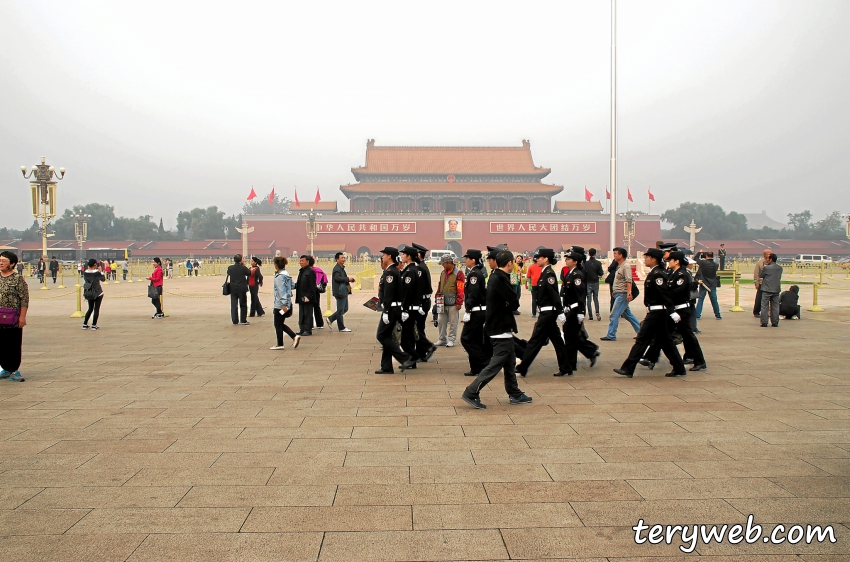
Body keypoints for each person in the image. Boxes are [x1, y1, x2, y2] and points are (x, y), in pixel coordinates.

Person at [461, 250, 532, 409]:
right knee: (496, 363)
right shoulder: (499, 277)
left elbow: (513, 294)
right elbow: (514, 300)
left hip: (501, 325)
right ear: (509, 263)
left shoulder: (498, 276)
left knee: (509, 361)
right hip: (499, 326)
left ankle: (514, 392)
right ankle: (472, 391)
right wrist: (509, 301)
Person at [614, 248, 687, 378]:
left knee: (642, 340)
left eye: (647, 257)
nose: (645, 259)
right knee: (666, 342)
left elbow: (665, 294)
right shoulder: (654, 273)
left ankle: (628, 368)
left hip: (657, 314)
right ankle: (679, 368)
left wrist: (672, 311)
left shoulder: (658, 274)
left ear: (654, 259)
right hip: (656, 312)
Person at [640, 251, 706, 372]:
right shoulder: (673, 274)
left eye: (670, 260)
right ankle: (650, 357)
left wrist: (664, 295)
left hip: (682, 310)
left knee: (688, 336)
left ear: (677, 261)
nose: (668, 262)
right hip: (675, 310)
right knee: (663, 335)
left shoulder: (682, 275)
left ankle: (700, 361)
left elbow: (676, 292)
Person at [516, 248, 571, 377]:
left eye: (539, 257)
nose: (537, 259)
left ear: (546, 259)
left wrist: (559, 311)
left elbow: (554, 294)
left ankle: (523, 367)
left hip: (548, 314)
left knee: (535, 340)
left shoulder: (549, 274)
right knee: (557, 341)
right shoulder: (544, 272)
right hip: (547, 313)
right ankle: (566, 367)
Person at [375, 246, 416, 374]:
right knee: (387, 337)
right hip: (394, 307)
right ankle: (386, 367)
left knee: (381, 335)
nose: (382, 257)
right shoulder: (392, 271)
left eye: (384, 254)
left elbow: (389, 293)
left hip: (391, 308)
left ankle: (404, 357)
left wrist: (386, 311)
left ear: (389, 256)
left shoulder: (391, 272)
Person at [560, 247, 600, 376]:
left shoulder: (577, 275)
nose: (566, 260)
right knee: (572, 338)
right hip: (569, 309)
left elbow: (581, 294)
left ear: (575, 261)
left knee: (570, 338)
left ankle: (571, 365)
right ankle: (583, 356)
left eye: (569, 259)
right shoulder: (571, 273)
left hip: (574, 310)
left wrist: (581, 312)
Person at [460, 249, 492, 377]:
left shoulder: (474, 274)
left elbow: (472, 294)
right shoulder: (474, 272)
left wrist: (468, 310)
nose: (465, 260)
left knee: (466, 339)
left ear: (473, 260)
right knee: (476, 340)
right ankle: (476, 367)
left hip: (476, 311)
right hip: (478, 310)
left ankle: (483, 362)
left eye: (467, 258)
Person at [601, 248, 641, 341]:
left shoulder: (626, 266)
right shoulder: (619, 266)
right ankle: (641, 331)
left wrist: (629, 293)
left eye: (615, 254)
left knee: (614, 315)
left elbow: (628, 280)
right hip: (618, 294)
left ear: (621, 255)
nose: (614, 256)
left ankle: (611, 335)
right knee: (627, 314)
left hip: (622, 294)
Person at [0, 251, 28, 382]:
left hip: (13, 317)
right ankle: (5, 369)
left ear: (12, 264)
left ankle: (14, 369)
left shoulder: (18, 279)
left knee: (13, 344)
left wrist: (22, 317)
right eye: (0, 260)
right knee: (1, 344)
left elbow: (24, 299)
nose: (1, 263)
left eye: (4, 261)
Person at [412, 243, 437, 362]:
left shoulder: (420, 268)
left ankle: (428, 346)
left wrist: (419, 304)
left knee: (416, 328)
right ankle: (421, 354)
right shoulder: (421, 266)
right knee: (419, 328)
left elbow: (420, 288)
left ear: (417, 255)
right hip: (424, 301)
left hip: (422, 302)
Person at [270, 256, 301, 350]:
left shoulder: (279, 277)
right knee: (279, 323)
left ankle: (285, 341)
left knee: (277, 323)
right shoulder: (286, 274)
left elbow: (281, 291)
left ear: (276, 265)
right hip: (288, 302)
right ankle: (286, 340)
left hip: (280, 304)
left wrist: (283, 305)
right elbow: (292, 285)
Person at [398, 246, 423, 365]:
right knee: (408, 336)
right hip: (411, 307)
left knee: (407, 337)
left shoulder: (410, 271)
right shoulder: (410, 269)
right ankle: (411, 360)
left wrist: (405, 309)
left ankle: (412, 359)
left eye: (403, 254)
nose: (401, 256)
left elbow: (407, 291)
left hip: (409, 308)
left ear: (409, 257)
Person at [435, 254, 464, 347]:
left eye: (443, 264)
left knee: (453, 322)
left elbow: (460, 288)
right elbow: (440, 286)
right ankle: (442, 339)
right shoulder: (443, 273)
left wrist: (459, 302)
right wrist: (437, 295)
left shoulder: (458, 273)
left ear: (448, 263)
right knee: (441, 321)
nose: (442, 265)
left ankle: (451, 339)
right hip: (442, 302)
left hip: (453, 302)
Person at [328, 252, 354, 332]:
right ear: (337, 259)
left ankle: (331, 319)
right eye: (342, 258)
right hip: (340, 291)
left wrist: (349, 280)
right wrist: (347, 279)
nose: (344, 259)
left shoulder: (341, 268)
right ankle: (340, 326)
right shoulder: (336, 269)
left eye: (344, 258)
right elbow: (337, 278)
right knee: (340, 310)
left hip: (343, 291)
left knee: (344, 309)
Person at [695, 251, 722, 320]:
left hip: (704, 283)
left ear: (706, 256)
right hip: (712, 283)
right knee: (714, 300)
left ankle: (697, 315)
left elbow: (695, 258)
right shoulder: (716, 264)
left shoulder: (703, 263)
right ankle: (717, 315)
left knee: (701, 299)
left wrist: (699, 253)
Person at [295, 255, 317, 336]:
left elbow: (312, 286)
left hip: (307, 297)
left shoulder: (310, 272)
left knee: (308, 314)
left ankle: (308, 330)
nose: (301, 262)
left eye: (303, 261)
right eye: (300, 261)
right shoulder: (302, 271)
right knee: (302, 314)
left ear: (307, 262)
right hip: (301, 296)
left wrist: (308, 296)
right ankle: (302, 329)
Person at [759, 253, 783, 327]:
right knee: (775, 306)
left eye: (768, 259)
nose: (767, 260)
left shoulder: (767, 268)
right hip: (776, 289)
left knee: (764, 306)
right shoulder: (780, 268)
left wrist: (763, 268)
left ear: (771, 259)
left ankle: (764, 322)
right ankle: (775, 322)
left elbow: (761, 275)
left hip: (766, 289)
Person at [226, 254, 251, 325]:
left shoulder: (230, 268)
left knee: (234, 304)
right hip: (242, 288)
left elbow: (228, 273)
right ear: (241, 260)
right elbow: (249, 273)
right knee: (243, 304)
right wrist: (244, 266)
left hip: (233, 288)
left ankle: (234, 320)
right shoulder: (243, 268)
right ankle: (243, 320)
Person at [81, 258, 105, 330]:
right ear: (95, 264)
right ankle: (94, 325)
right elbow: (103, 279)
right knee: (96, 309)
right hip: (97, 292)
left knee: (90, 308)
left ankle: (85, 324)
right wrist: (101, 272)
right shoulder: (96, 272)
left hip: (89, 292)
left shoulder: (85, 272)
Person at [584, 248, 604, 321]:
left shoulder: (586, 263)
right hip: (595, 282)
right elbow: (601, 273)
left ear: (588, 254)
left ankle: (590, 316)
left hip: (588, 282)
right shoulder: (598, 263)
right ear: (595, 254)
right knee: (595, 298)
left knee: (588, 299)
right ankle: (597, 312)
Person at [753, 249, 771, 317]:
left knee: (769, 298)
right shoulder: (760, 263)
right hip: (761, 283)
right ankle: (756, 311)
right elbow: (756, 273)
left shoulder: (772, 263)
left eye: (770, 253)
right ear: (764, 255)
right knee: (759, 297)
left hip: (769, 283)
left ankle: (768, 312)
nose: (769, 255)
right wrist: (756, 283)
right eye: (768, 253)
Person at [525, 253, 543, 318]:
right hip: (541, 284)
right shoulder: (542, 267)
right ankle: (542, 311)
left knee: (534, 299)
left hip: (534, 284)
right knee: (541, 298)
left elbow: (528, 277)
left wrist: (528, 285)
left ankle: (534, 313)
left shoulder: (531, 267)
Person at [311, 257, 326, 330]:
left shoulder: (309, 271)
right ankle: (320, 324)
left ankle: (310, 324)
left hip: (311, 291)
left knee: (309, 308)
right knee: (317, 307)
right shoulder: (318, 270)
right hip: (317, 291)